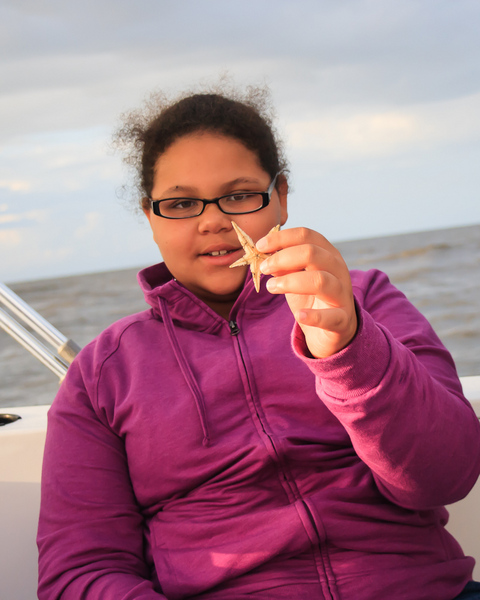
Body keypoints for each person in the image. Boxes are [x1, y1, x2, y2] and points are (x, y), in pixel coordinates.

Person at [37, 83, 480, 600]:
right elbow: (80, 570)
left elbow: (446, 478)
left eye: (240, 195)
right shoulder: (103, 374)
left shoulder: (365, 300)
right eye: (180, 203)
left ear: (281, 197)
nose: (213, 220)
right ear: (149, 216)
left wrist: (348, 347)